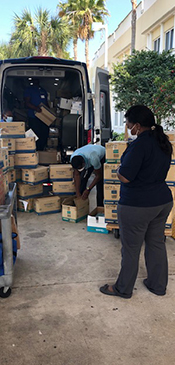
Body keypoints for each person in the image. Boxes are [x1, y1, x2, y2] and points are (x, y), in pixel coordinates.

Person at [100, 105, 173, 299]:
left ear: (137, 126)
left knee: (131, 249)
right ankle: (157, 285)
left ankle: (122, 288)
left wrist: (117, 170)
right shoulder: (163, 142)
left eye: (128, 123)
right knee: (156, 243)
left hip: (138, 205)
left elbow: (125, 176)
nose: (127, 126)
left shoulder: (139, 145)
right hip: (162, 201)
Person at [24, 79, 49, 151]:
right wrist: (36, 108)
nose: (36, 82)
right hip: (33, 116)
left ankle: (42, 150)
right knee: (35, 134)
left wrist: (49, 112)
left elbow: (46, 103)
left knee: (44, 133)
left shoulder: (43, 91)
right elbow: (27, 103)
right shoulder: (29, 90)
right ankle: (35, 150)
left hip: (43, 117)